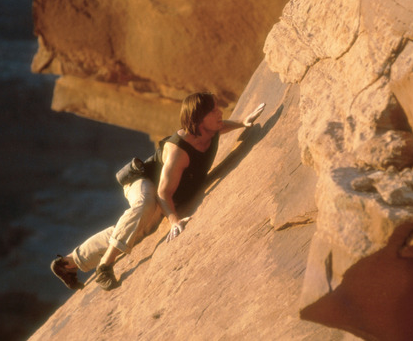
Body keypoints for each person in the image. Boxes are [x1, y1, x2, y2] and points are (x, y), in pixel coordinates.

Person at [51, 92, 265, 291]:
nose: (219, 113)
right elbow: (163, 194)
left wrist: (242, 122)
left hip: (160, 188)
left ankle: (69, 263)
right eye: (213, 111)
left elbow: (219, 127)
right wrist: (174, 221)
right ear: (198, 119)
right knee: (145, 206)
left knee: (133, 228)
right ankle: (105, 266)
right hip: (143, 181)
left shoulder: (207, 129)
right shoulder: (179, 151)